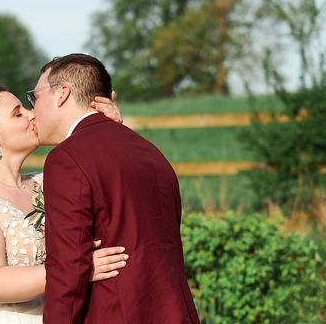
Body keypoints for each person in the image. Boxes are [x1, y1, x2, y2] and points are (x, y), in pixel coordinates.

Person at [0, 86, 128, 323]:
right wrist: (79, 268)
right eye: (18, 113)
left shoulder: (48, 182)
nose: (32, 114)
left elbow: (117, 190)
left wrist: (109, 129)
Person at [31, 54, 200, 324]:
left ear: (62, 93)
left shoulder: (68, 158)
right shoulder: (149, 152)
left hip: (115, 312)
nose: (33, 111)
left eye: (35, 97)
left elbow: (68, 268)